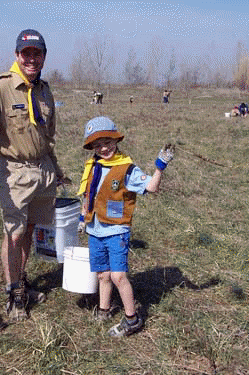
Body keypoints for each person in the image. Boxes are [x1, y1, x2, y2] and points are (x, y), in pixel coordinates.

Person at [0, 29, 68, 323]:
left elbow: (47, 136)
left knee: (31, 229)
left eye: (37, 53)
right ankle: (14, 293)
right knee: (14, 233)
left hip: (43, 170)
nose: (32, 59)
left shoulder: (45, 90)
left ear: (44, 56)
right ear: (17, 55)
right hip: (14, 172)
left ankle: (21, 280)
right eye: (26, 53)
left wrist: (56, 169)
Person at [76, 116, 174, 337]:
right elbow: (88, 195)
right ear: (91, 146)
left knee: (118, 276)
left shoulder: (126, 168)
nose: (104, 148)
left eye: (108, 142)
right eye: (98, 144)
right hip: (95, 229)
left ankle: (132, 319)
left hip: (116, 230)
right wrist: (83, 219)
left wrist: (160, 167)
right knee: (102, 274)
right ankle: (104, 309)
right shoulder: (93, 165)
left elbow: (151, 187)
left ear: (116, 140)